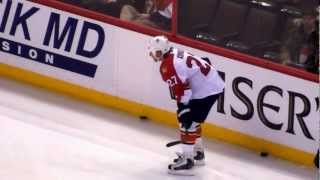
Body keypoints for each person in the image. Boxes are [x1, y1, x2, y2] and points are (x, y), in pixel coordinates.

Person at [148, 35, 225, 175]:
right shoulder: (173, 53)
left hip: (206, 90)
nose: (152, 54)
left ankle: (188, 160)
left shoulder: (168, 66)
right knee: (191, 120)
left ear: (161, 51)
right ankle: (198, 154)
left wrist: (183, 109)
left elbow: (183, 90)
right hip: (211, 83)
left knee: (186, 121)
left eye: (154, 51)